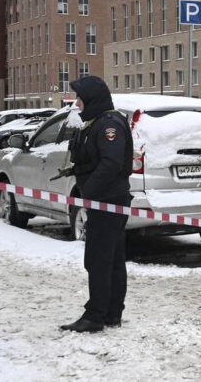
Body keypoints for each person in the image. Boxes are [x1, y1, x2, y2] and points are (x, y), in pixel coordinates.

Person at [60, 76, 133, 333]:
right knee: (111, 259)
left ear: (92, 99)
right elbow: (99, 159)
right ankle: (111, 313)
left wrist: (88, 191)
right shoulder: (99, 122)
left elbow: (112, 163)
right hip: (109, 199)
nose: (77, 103)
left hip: (108, 201)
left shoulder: (108, 125)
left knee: (99, 259)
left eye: (80, 98)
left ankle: (95, 316)